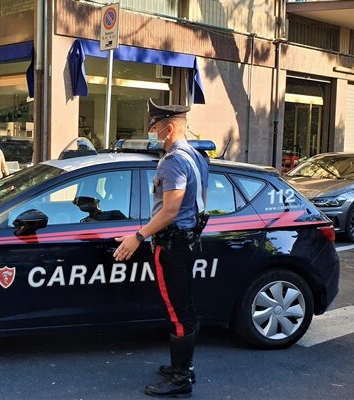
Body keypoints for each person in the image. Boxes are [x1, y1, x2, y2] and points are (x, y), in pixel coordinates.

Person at [113, 99, 209, 398]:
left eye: (153, 127)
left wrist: (137, 236)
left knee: (178, 310)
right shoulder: (196, 155)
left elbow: (170, 210)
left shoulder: (174, 162)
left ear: (168, 129)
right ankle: (183, 366)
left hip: (172, 244)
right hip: (187, 240)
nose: (150, 132)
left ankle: (181, 378)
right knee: (184, 307)